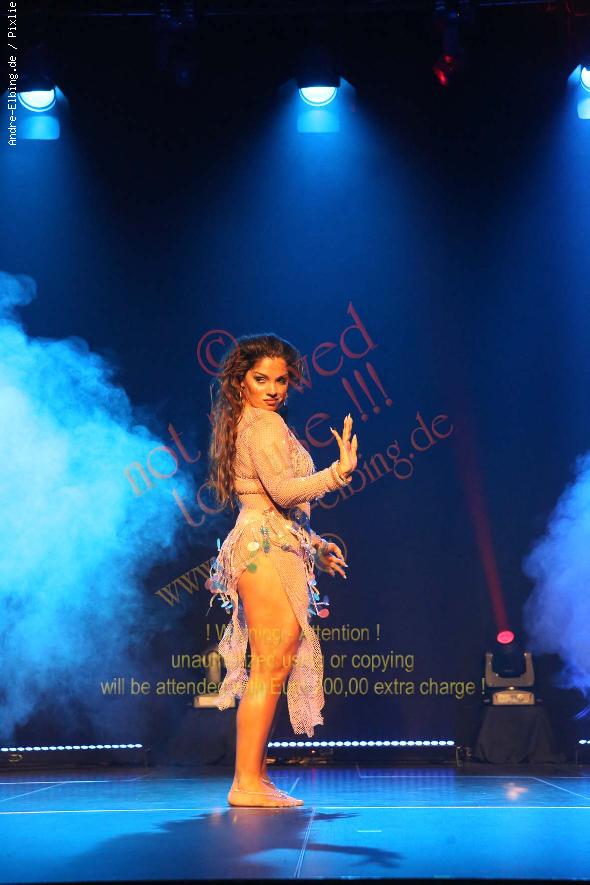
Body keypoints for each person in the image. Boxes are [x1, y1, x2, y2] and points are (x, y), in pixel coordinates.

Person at [206, 333, 358, 807]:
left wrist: (314, 546)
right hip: (264, 548)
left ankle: (254, 776)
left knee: (272, 667)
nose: (273, 389)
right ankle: (245, 783)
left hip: (271, 543)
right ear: (241, 382)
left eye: (281, 380)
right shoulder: (264, 425)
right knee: (270, 667)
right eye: (261, 379)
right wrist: (338, 472)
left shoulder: (254, 422)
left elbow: (273, 503)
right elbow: (284, 491)